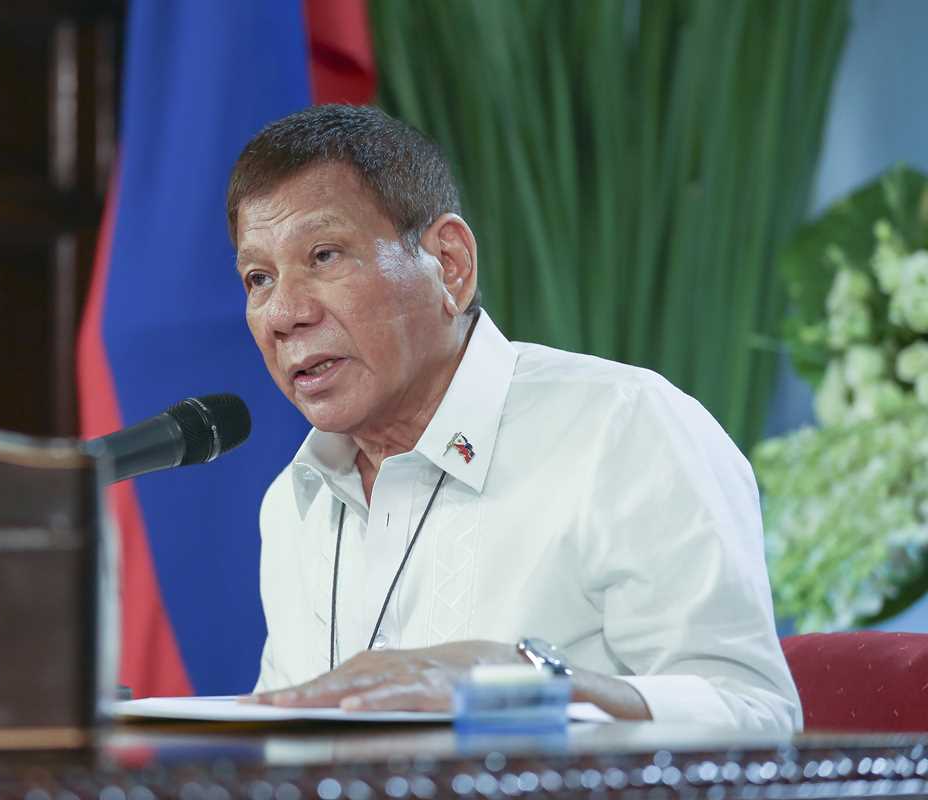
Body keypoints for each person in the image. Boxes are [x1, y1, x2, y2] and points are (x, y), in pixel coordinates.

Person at [227, 104, 800, 732]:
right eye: (258, 278)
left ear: (449, 264)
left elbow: (758, 718)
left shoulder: (622, 430)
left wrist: (530, 682)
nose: (283, 314)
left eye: (324, 255)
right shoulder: (294, 503)